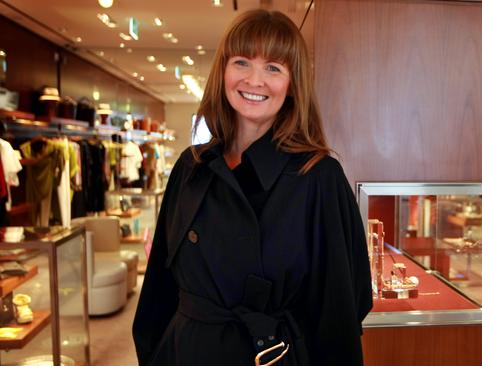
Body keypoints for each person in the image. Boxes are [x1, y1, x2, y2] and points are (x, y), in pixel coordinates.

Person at [132, 9, 373, 366]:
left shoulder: (319, 176)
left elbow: (342, 307)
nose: (254, 80)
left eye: (273, 68)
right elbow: (158, 289)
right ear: (224, 72)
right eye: (242, 62)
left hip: (271, 356)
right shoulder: (191, 166)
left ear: (292, 85)